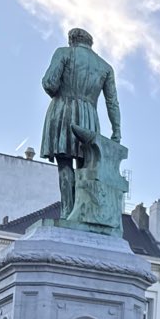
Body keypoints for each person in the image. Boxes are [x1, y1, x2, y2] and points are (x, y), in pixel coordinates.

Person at [41, 27, 122, 217]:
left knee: (65, 163)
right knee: (86, 166)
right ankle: (82, 213)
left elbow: (50, 84)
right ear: (90, 43)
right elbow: (112, 102)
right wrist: (116, 131)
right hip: (90, 118)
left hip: (63, 112)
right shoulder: (105, 67)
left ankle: (67, 211)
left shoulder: (64, 53)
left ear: (72, 40)